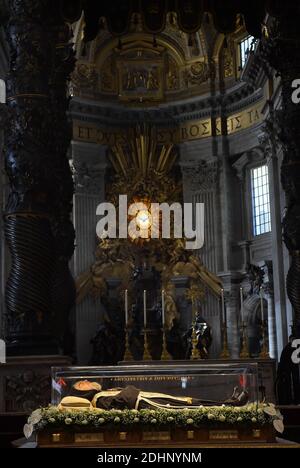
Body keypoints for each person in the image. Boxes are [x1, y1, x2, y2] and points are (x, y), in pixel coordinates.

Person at [58, 380, 248, 410]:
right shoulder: (98, 399)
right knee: (186, 406)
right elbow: (123, 401)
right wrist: (127, 389)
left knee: (185, 400)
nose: (86, 381)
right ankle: (230, 405)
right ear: (82, 390)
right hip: (146, 403)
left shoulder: (102, 394)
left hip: (146, 398)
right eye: (82, 383)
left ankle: (227, 403)